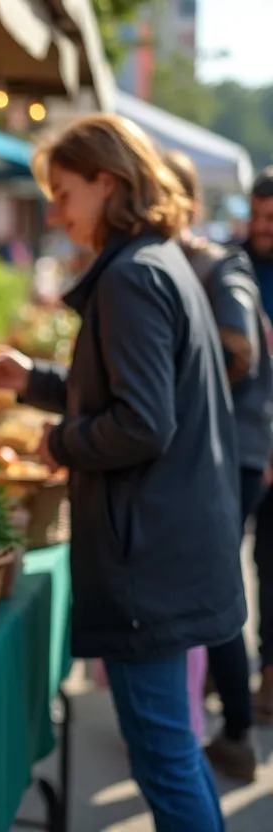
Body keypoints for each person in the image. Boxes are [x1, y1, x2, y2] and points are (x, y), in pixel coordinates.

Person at [0, 115, 243, 831]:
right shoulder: (155, 260)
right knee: (173, 753)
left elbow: (142, 424)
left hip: (147, 556)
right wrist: (33, 379)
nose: (54, 213)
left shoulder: (133, 276)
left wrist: (60, 441)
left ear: (108, 182)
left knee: (164, 756)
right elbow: (128, 394)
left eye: (63, 193)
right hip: (166, 543)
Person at [163, 150, 273, 782]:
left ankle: (234, 729)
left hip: (236, 452)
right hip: (232, 450)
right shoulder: (215, 260)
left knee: (216, 588)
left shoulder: (217, 265)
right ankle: (222, 715)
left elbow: (240, 351)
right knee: (218, 584)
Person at [243, 168, 273, 722]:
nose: (263, 226)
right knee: (223, 558)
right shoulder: (235, 263)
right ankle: (211, 667)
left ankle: (269, 673)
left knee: (271, 561)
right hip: (239, 441)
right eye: (259, 214)